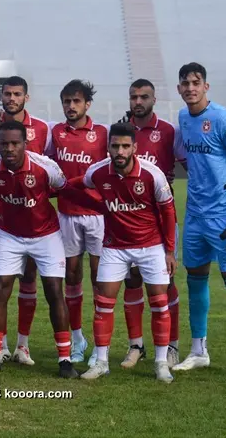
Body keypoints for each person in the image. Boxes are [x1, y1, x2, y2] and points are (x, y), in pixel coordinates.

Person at [0, 120, 95, 379]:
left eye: (15, 143)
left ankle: (64, 361)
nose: (10, 149)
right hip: (9, 235)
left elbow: (66, 191)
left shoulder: (45, 167)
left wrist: (103, 207)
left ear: (25, 144)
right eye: (4, 143)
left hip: (46, 235)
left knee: (54, 292)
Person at [69, 123, 177, 382]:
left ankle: (161, 363)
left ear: (134, 148)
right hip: (115, 247)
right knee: (103, 303)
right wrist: (100, 206)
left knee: (159, 304)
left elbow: (168, 212)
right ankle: (102, 362)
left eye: (125, 146)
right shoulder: (97, 172)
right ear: (108, 148)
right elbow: (71, 187)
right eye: (115, 146)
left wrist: (170, 251)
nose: (120, 151)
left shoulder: (153, 175)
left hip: (151, 246)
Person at [172, 62, 226, 379]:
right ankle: (198, 351)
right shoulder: (183, 118)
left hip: (225, 216)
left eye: (196, 82)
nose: (191, 88)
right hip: (195, 214)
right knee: (196, 280)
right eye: (185, 83)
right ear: (179, 88)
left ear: (206, 86)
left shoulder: (222, 118)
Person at [0, 76, 53, 365]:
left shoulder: (43, 129)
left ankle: (23, 344)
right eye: (7, 93)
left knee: (29, 278)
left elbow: (46, 170)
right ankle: (2, 345)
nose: (11, 98)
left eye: (17, 93)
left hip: (31, 218)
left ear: (26, 97)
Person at [117, 79, 186, 370]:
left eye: (143, 96)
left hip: (161, 219)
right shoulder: (122, 131)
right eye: (133, 96)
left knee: (165, 283)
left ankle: (172, 345)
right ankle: (136, 345)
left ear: (154, 99)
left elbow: (188, 164)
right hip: (128, 221)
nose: (138, 101)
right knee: (131, 281)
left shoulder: (168, 132)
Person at [49, 79, 108, 363]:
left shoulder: (102, 133)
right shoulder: (55, 133)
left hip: (97, 216)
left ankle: (100, 344)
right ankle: (77, 338)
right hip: (67, 215)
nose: (70, 107)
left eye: (76, 101)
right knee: (71, 276)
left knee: (100, 279)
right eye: (66, 101)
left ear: (87, 104)